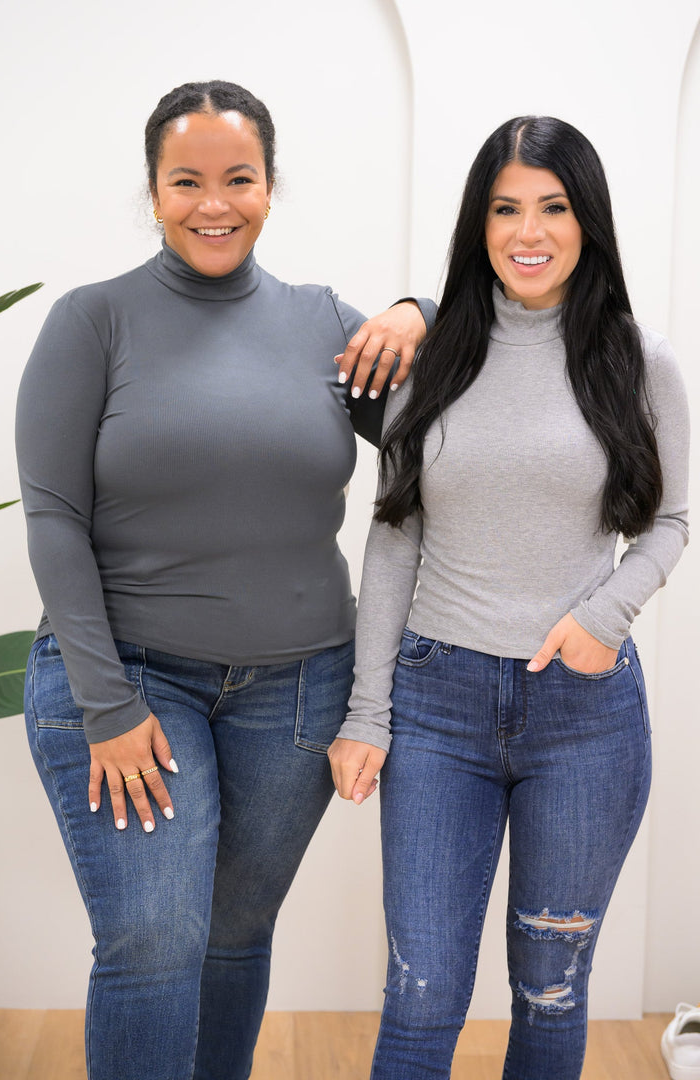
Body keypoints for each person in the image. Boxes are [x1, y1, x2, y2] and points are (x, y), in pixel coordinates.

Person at [16, 80, 434, 1080]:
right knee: (154, 940)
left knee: (236, 937)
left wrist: (422, 310)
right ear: (153, 190)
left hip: (299, 691)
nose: (215, 204)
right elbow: (53, 517)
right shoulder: (94, 321)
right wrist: (107, 705)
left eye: (239, 179)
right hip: (129, 682)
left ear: (270, 187)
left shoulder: (325, 322)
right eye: (186, 182)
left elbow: (450, 430)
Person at [329, 115, 690, 1080]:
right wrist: (367, 711)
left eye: (553, 207)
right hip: (435, 709)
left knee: (549, 993)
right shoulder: (433, 357)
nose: (528, 232)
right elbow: (394, 537)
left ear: (587, 220)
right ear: (478, 223)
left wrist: (602, 618)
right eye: (505, 209)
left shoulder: (639, 359)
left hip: (584, 716)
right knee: (421, 995)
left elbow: (669, 522)